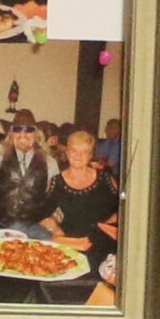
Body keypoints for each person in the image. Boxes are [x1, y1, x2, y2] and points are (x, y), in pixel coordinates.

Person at [41, 123, 119, 302]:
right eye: (74, 150)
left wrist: (109, 224)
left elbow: (123, 209)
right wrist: (54, 226)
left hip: (103, 243)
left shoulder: (106, 179)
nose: (78, 155)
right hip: (71, 244)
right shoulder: (56, 182)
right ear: (67, 152)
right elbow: (44, 216)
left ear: (91, 155)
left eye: (84, 152)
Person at [0, 109, 56, 224]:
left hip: (33, 226)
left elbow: (52, 197)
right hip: (0, 224)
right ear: (11, 133)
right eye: (17, 129)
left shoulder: (49, 161)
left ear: (36, 134)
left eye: (29, 130)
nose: (23, 135)